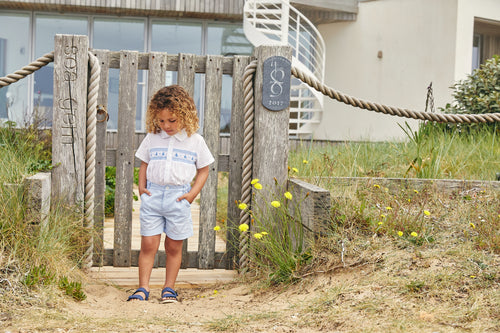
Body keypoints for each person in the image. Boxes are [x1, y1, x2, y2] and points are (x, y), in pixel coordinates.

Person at [127, 85, 214, 303]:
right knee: (148, 244)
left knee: (173, 246)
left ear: (185, 115)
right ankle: (143, 288)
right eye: (162, 120)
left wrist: (192, 194)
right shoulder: (152, 137)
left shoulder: (195, 141)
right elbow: (144, 163)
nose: (166, 126)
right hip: (153, 196)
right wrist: (141, 186)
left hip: (178, 198)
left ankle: (169, 289)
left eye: (172, 121)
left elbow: (204, 169)